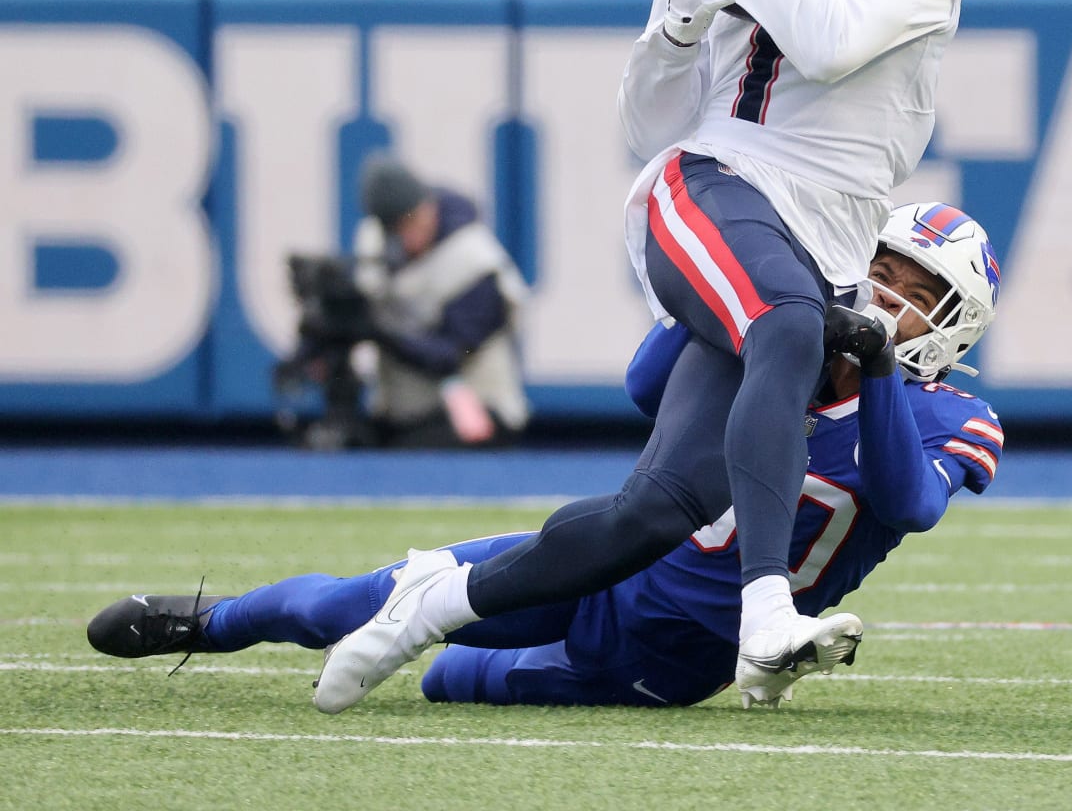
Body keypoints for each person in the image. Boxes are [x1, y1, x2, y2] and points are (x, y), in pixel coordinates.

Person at [301, 0, 987, 713]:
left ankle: (429, 610)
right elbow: (651, 125)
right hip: (714, 185)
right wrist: (671, 24)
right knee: (789, 326)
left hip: (828, 226)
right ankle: (766, 612)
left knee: (656, 510)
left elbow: (836, 37)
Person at [85, 204, 1004, 710]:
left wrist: (877, 367)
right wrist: (758, 320)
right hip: (598, 563)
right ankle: (205, 624)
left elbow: (908, 502)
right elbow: (649, 384)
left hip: (674, 655)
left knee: (452, 684)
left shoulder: (953, 415)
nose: (885, 294)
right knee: (350, 606)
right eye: (880, 270)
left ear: (953, 324)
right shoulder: (782, 339)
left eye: (914, 291)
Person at [278, 154, 529, 450]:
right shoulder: (377, 238)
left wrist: (380, 331)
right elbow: (362, 305)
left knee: (414, 454)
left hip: (474, 411)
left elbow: (453, 353)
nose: (405, 235)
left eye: (411, 221)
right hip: (399, 412)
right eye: (394, 227)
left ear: (429, 207)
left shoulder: (473, 261)